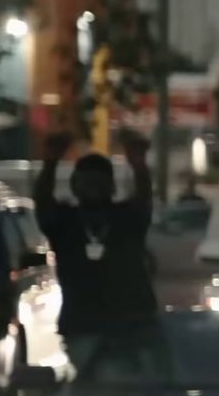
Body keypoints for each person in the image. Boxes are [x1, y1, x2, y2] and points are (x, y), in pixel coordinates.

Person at [33, 132, 161, 370]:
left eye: (98, 181)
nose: (92, 188)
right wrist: (50, 162)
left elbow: (144, 198)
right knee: (95, 388)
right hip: (84, 327)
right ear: (74, 186)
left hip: (134, 325)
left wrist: (139, 164)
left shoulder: (126, 219)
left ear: (111, 186)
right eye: (86, 181)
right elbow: (42, 201)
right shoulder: (64, 222)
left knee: (142, 388)